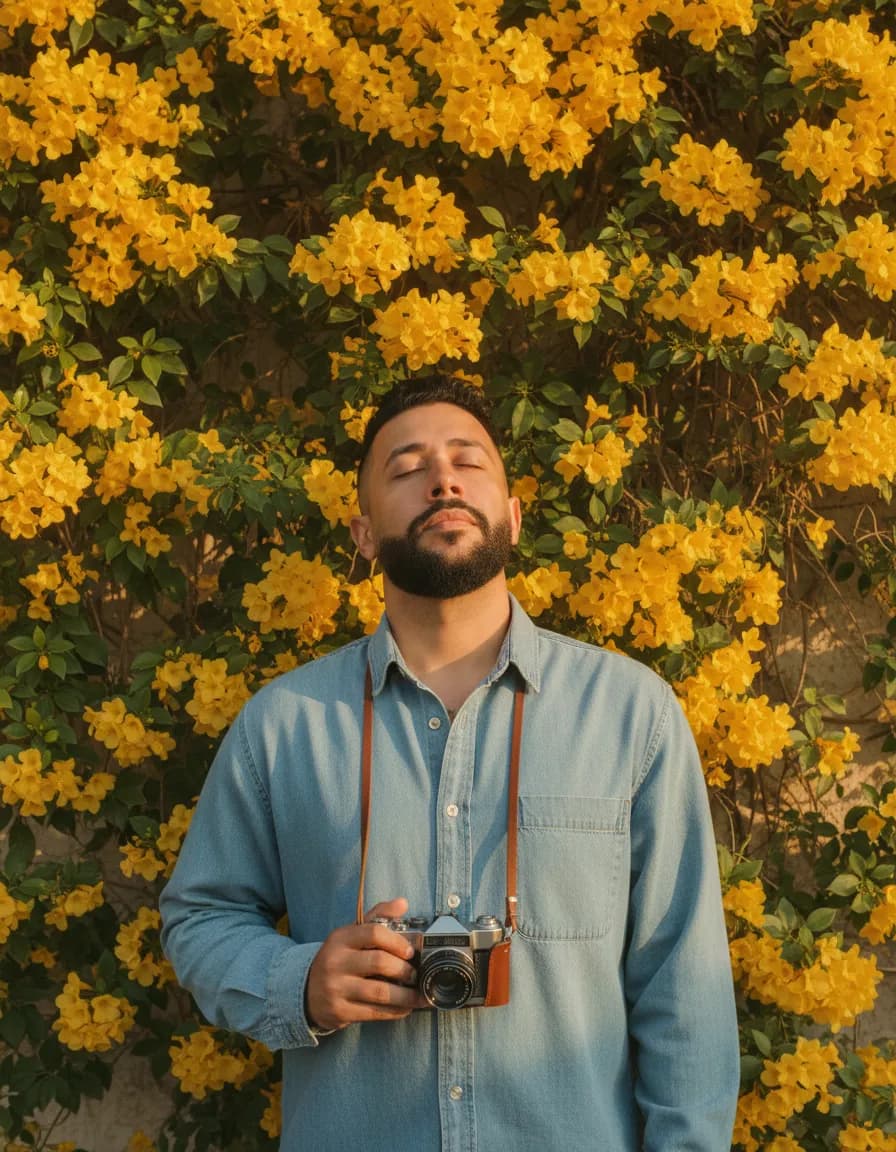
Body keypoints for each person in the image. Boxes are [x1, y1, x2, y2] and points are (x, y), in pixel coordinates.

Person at [160, 375, 740, 1151]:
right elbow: (200, 918)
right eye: (406, 468)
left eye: (468, 461)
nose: (441, 478)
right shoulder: (284, 725)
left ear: (512, 512)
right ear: (363, 532)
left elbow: (686, 985)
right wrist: (299, 982)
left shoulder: (631, 714)